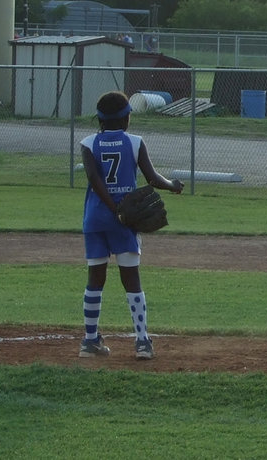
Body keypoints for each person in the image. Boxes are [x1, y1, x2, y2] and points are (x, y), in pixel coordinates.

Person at [79, 91, 184, 360]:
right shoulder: (135, 142)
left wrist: (110, 207)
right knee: (131, 280)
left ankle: (90, 341)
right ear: (126, 118)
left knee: (95, 279)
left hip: (95, 219)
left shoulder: (88, 143)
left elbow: (94, 179)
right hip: (124, 221)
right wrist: (173, 185)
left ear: (99, 119)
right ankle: (142, 342)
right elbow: (151, 178)